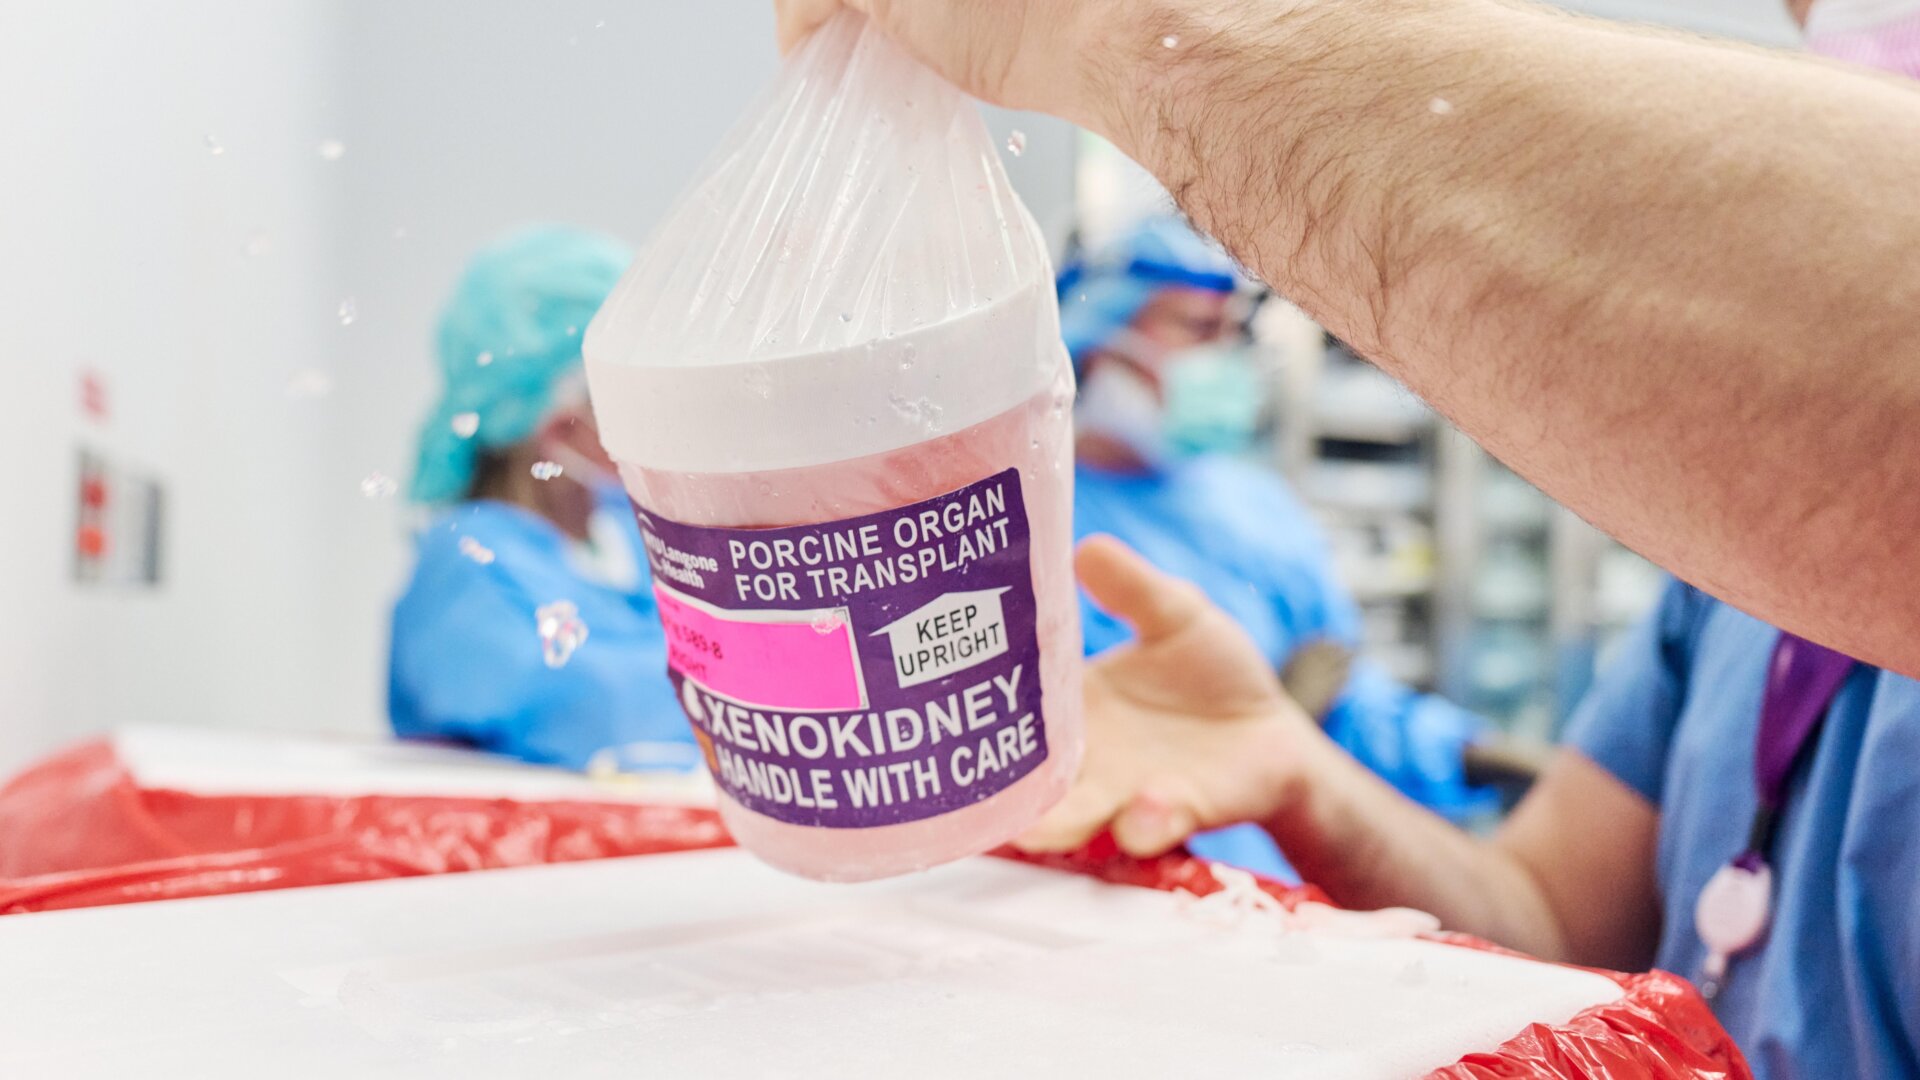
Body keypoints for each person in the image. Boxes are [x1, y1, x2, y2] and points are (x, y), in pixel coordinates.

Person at [771, 0, 1920, 1074]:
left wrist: (1148, 34)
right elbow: (1552, 922)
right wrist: (1298, 772)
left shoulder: (1249, 516)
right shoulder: (1727, 587)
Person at [1064, 218, 1492, 876]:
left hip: (1274, 892)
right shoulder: (1033, 515)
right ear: (1101, 338)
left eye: (1235, 332)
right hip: (1114, 884)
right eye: (1198, 330)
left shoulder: (1261, 510)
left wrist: (1468, 753)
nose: (1225, 356)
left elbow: (1348, 704)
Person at [388, 226, 698, 771]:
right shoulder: (467, 562)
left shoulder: (626, 536)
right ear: (559, 421)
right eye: (627, 390)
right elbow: (596, 714)